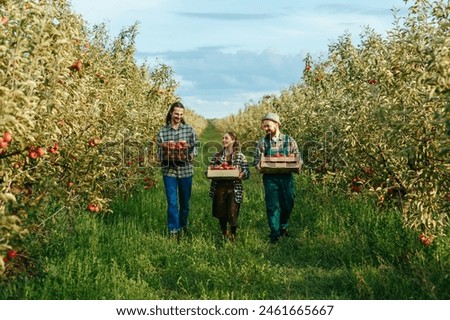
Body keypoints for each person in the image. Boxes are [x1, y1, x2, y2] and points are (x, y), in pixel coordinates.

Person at [253, 112, 301, 244]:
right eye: (264, 127)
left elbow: (298, 158)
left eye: (267, 125)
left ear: (277, 124)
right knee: (272, 205)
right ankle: (274, 233)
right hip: (270, 178)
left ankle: (283, 226)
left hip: (286, 177)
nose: (266, 128)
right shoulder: (262, 142)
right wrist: (260, 166)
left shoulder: (289, 140)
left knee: (288, 203)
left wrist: (297, 165)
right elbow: (256, 161)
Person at [157, 101, 198, 239]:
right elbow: (158, 150)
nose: (178, 116)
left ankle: (183, 226)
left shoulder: (189, 130)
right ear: (170, 113)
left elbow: (195, 145)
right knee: (172, 203)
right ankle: (173, 231)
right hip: (169, 171)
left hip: (186, 170)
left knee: (185, 203)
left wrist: (193, 154)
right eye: (176, 114)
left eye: (181, 114)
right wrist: (161, 156)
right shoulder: (163, 131)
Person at [207, 132, 250, 242]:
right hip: (220, 188)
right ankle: (224, 232)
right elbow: (209, 169)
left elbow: (246, 171)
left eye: (226, 138)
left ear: (233, 140)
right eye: (223, 138)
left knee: (232, 212)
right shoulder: (217, 156)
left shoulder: (240, 156)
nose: (224, 140)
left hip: (233, 187)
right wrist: (209, 172)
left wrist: (242, 174)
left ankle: (233, 235)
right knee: (221, 212)